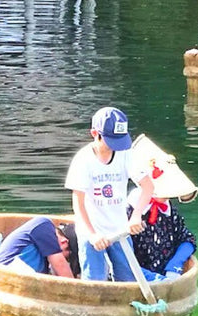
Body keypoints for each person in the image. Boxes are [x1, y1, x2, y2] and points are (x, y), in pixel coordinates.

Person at [64, 106, 154, 282]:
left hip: (119, 229)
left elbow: (148, 187)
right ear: (94, 133)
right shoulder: (83, 160)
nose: (115, 147)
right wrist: (92, 235)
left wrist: (136, 216)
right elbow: (78, 203)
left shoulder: (125, 154)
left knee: (128, 279)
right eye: (110, 140)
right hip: (91, 231)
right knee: (95, 281)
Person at [129, 162, 198, 281]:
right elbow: (119, 259)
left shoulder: (169, 210)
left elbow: (187, 238)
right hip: (134, 277)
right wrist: (155, 279)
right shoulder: (128, 210)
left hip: (166, 273)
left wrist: (175, 265)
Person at [0, 217, 76, 278]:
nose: (66, 261)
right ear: (64, 242)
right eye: (68, 258)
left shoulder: (44, 263)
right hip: (3, 273)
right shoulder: (43, 224)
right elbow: (60, 264)